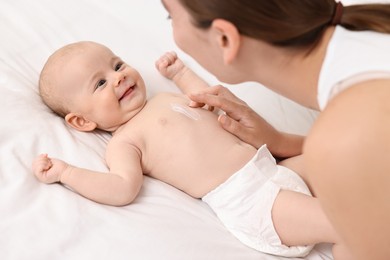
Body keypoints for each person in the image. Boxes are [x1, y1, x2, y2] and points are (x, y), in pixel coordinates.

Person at [32, 41, 352, 259]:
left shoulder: (163, 99)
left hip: (272, 168)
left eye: (117, 65)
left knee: (342, 160)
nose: (118, 77)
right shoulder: (124, 142)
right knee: (348, 223)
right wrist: (66, 172)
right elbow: (121, 188)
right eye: (100, 83)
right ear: (82, 121)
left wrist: (180, 74)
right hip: (253, 202)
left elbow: (207, 100)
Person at [160, 0, 390, 259]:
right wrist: (280, 141)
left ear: (224, 38)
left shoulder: (342, 138)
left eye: (170, 17)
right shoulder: (376, 31)